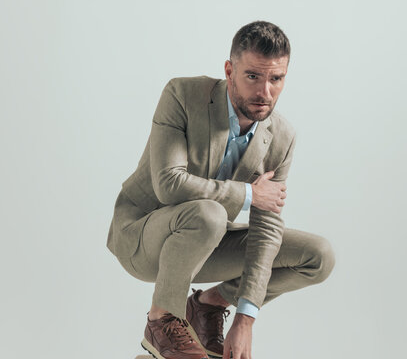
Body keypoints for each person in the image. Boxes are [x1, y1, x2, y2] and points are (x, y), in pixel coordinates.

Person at [106, 20, 335, 359]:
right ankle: (162, 320)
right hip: (144, 237)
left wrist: (245, 317)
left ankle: (208, 305)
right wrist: (248, 195)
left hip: (209, 243)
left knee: (318, 256)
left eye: (276, 79)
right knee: (210, 213)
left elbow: (267, 231)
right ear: (229, 70)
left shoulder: (282, 137)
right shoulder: (182, 96)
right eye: (253, 76)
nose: (265, 92)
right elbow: (169, 184)